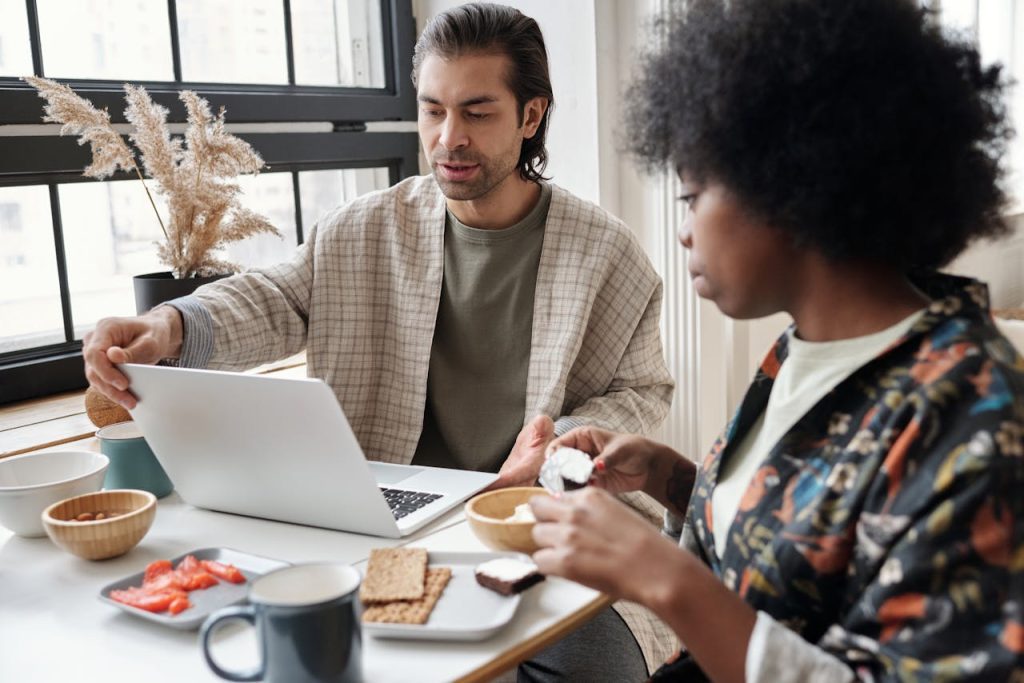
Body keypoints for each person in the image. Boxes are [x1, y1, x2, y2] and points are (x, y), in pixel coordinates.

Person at [82, 3, 676, 679]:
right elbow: (275, 296)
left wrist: (563, 444)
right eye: (432, 110)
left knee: (596, 668)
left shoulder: (608, 253)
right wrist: (170, 326)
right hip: (382, 520)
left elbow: (641, 390)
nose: (448, 137)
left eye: (477, 112)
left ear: (531, 116)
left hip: (546, 524)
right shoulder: (362, 229)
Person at [531, 0, 1024, 681]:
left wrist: (666, 578)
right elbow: (807, 545)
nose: (684, 232)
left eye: (692, 196)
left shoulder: (977, 418)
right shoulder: (805, 350)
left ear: (792, 184)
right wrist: (672, 478)